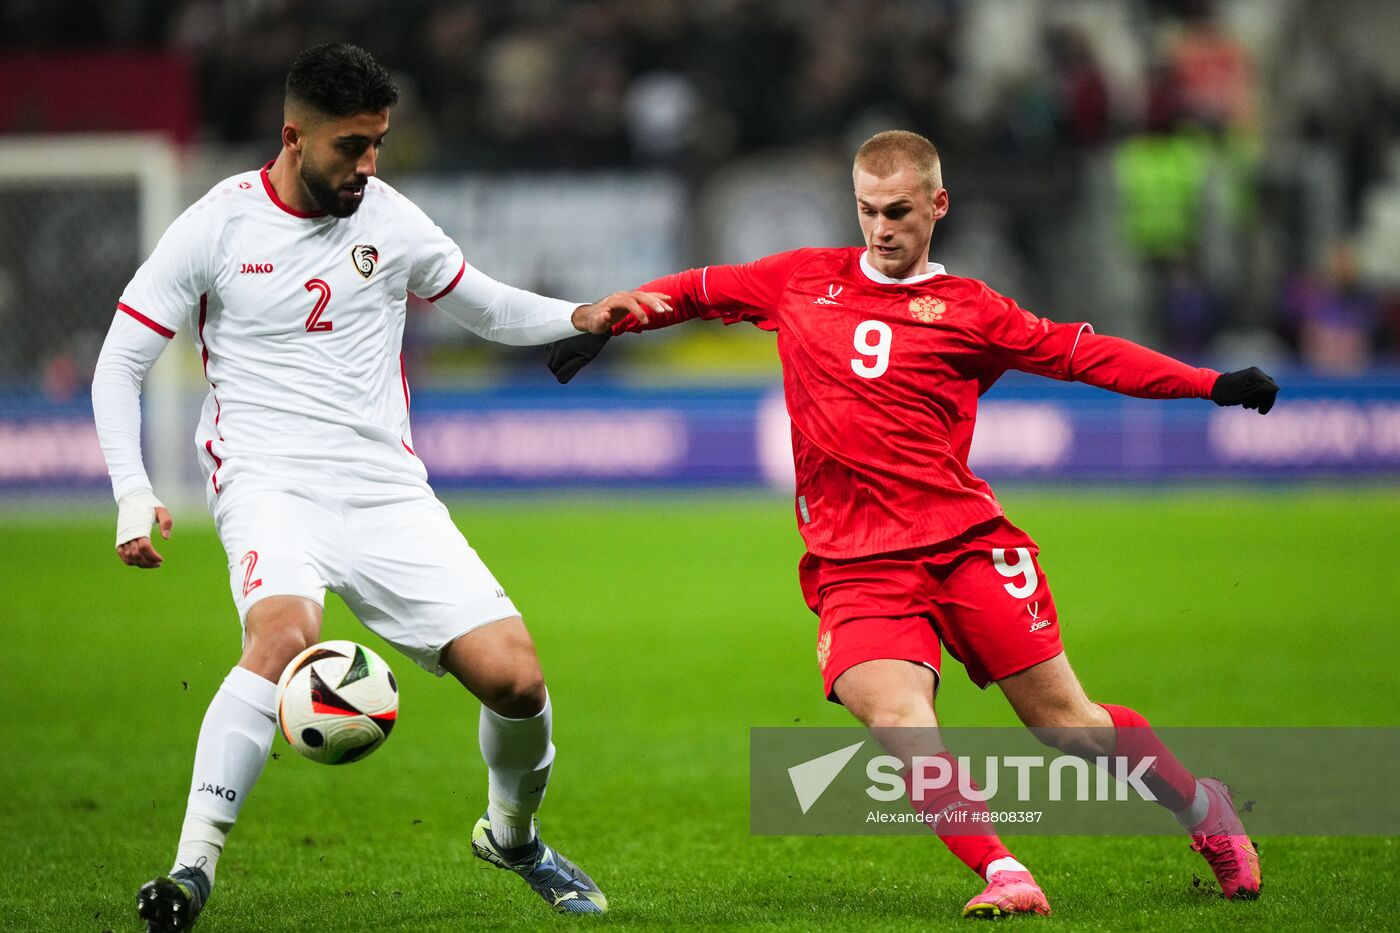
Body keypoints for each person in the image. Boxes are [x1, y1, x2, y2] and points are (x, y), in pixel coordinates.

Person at [548, 130, 1276, 918]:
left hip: (966, 545)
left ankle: (1204, 810)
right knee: (900, 717)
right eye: (866, 210)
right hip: (855, 565)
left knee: (1070, 726)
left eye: (898, 210)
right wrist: (614, 317)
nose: (881, 228)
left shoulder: (972, 310)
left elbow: (1084, 356)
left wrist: (1209, 384)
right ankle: (1003, 872)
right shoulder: (800, 280)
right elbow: (694, 289)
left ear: (937, 205)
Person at [92, 43, 669, 931]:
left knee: (517, 681)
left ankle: (512, 837)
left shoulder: (390, 218)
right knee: (285, 634)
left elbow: (480, 301)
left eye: (378, 145)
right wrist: (133, 490)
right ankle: (190, 867)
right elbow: (119, 363)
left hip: (385, 490)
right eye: (350, 147)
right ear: (293, 136)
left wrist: (578, 314)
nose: (367, 164)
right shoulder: (217, 225)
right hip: (267, 481)